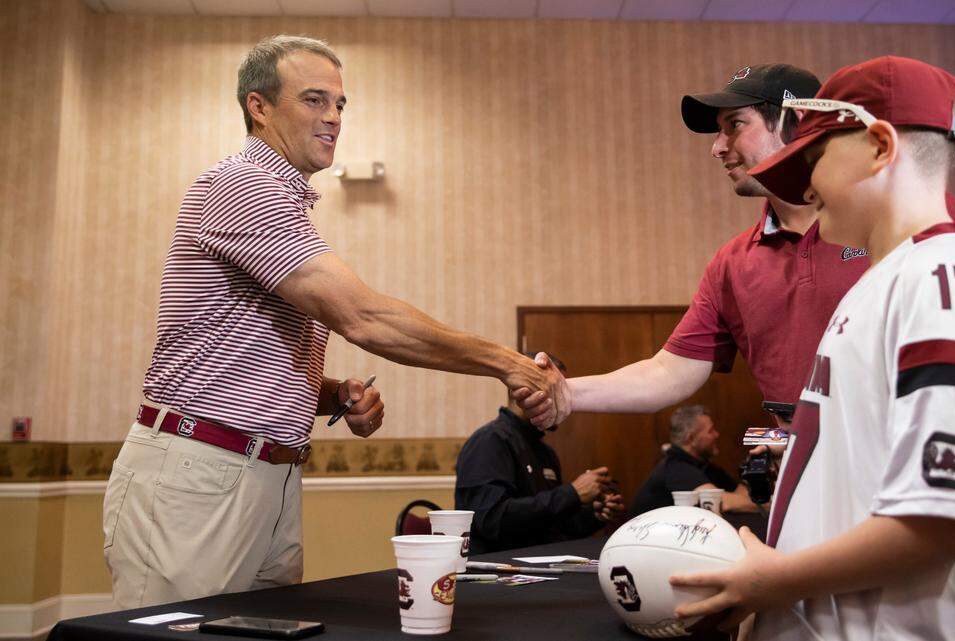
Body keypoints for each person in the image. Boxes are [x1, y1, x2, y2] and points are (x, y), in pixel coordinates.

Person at [101, 35, 562, 609]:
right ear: (259, 106)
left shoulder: (287, 202)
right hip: (201, 474)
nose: (334, 117)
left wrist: (334, 396)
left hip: (269, 478)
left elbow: (238, 362)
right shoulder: (242, 184)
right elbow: (364, 318)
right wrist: (510, 363)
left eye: (340, 104)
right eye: (314, 100)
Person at [670, 56, 955, 640]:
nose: (808, 186)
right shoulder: (885, 281)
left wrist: (777, 581)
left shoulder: (942, 281)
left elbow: (953, 515)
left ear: (877, 146)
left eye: (814, 160)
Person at [518, 63, 955, 435]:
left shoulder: (906, 214)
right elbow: (668, 371)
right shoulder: (732, 263)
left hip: (907, 460)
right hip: (802, 474)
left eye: (734, 125)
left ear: (797, 125)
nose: (717, 148)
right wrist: (568, 391)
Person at [455, 353, 624, 554]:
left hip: (540, 565)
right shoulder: (490, 441)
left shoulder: (545, 452)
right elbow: (492, 520)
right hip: (496, 570)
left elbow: (553, 529)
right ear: (520, 391)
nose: (565, 402)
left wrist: (593, 515)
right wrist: (572, 493)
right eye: (555, 392)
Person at [629, 405, 758, 516]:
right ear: (690, 438)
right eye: (710, 431)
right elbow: (721, 502)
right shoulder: (675, 467)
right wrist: (770, 507)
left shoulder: (705, 466)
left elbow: (744, 496)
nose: (716, 435)